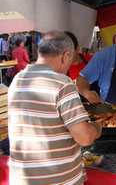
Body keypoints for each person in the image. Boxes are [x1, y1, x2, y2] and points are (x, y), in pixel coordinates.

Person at [8, 30, 102, 184]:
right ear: (65, 56)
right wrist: (95, 127)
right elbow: (84, 138)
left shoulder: (18, 80)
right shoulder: (63, 84)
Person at [65, 31, 100, 101]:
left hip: (98, 108)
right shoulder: (59, 70)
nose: (65, 57)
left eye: (69, 53)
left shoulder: (93, 60)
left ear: (77, 48)